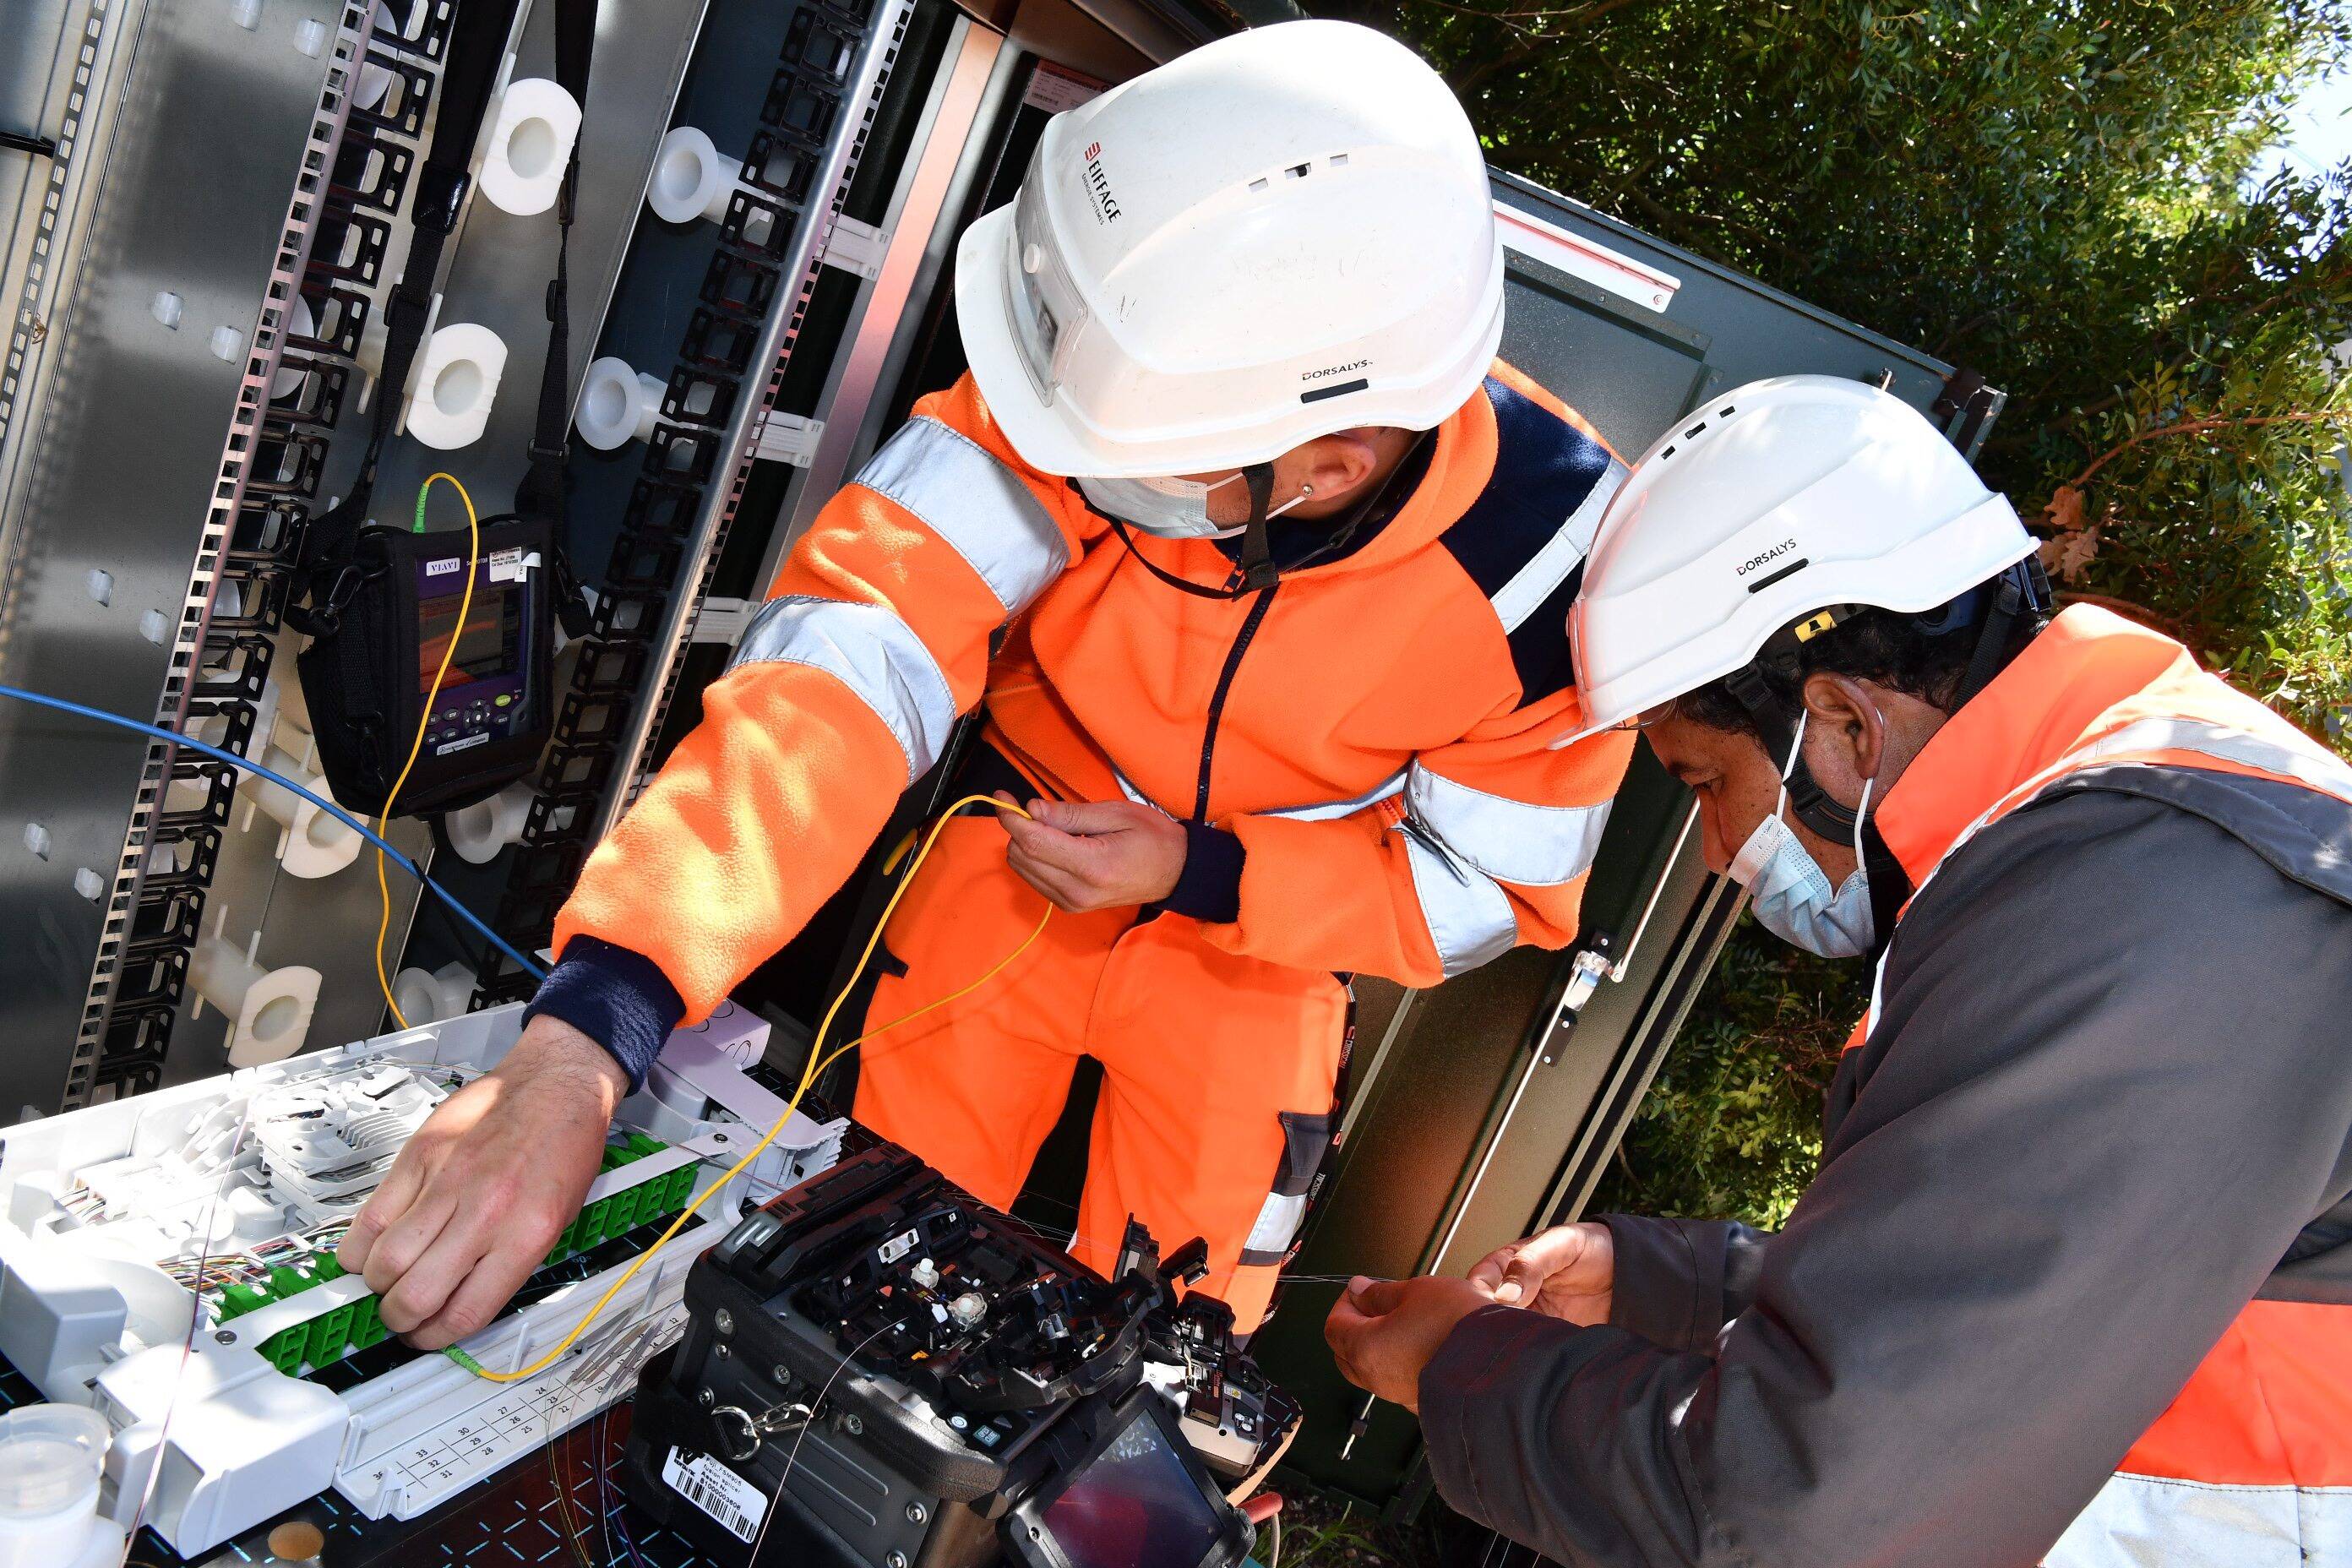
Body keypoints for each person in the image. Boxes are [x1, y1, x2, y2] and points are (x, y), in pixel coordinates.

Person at [340, 22, 1636, 1348]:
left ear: (1339, 460)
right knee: (868, 1249)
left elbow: (1487, 890)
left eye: (1143, 472)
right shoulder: (1106, 377)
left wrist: (1202, 871)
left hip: (1267, 947)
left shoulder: (1554, 566)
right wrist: (593, 1028)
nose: (1080, 470)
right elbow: (847, 667)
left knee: (1184, 1338)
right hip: (1024, 857)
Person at [1325, 374, 2352, 1566]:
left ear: (1848, 722)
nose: (1716, 854)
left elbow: (1806, 1520)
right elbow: (2019, 1293)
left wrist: (1462, 1368)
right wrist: (1664, 1283)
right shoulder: (2140, 853)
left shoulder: (2147, 909)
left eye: (1708, 784)